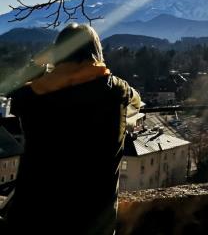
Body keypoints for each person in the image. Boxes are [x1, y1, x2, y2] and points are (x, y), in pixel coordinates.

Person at [6, 23, 141, 235]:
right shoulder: (117, 91)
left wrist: (38, 65)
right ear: (96, 52)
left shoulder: (31, 98)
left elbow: (16, 95)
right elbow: (136, 103)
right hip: (94, 221)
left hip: (35, 217)